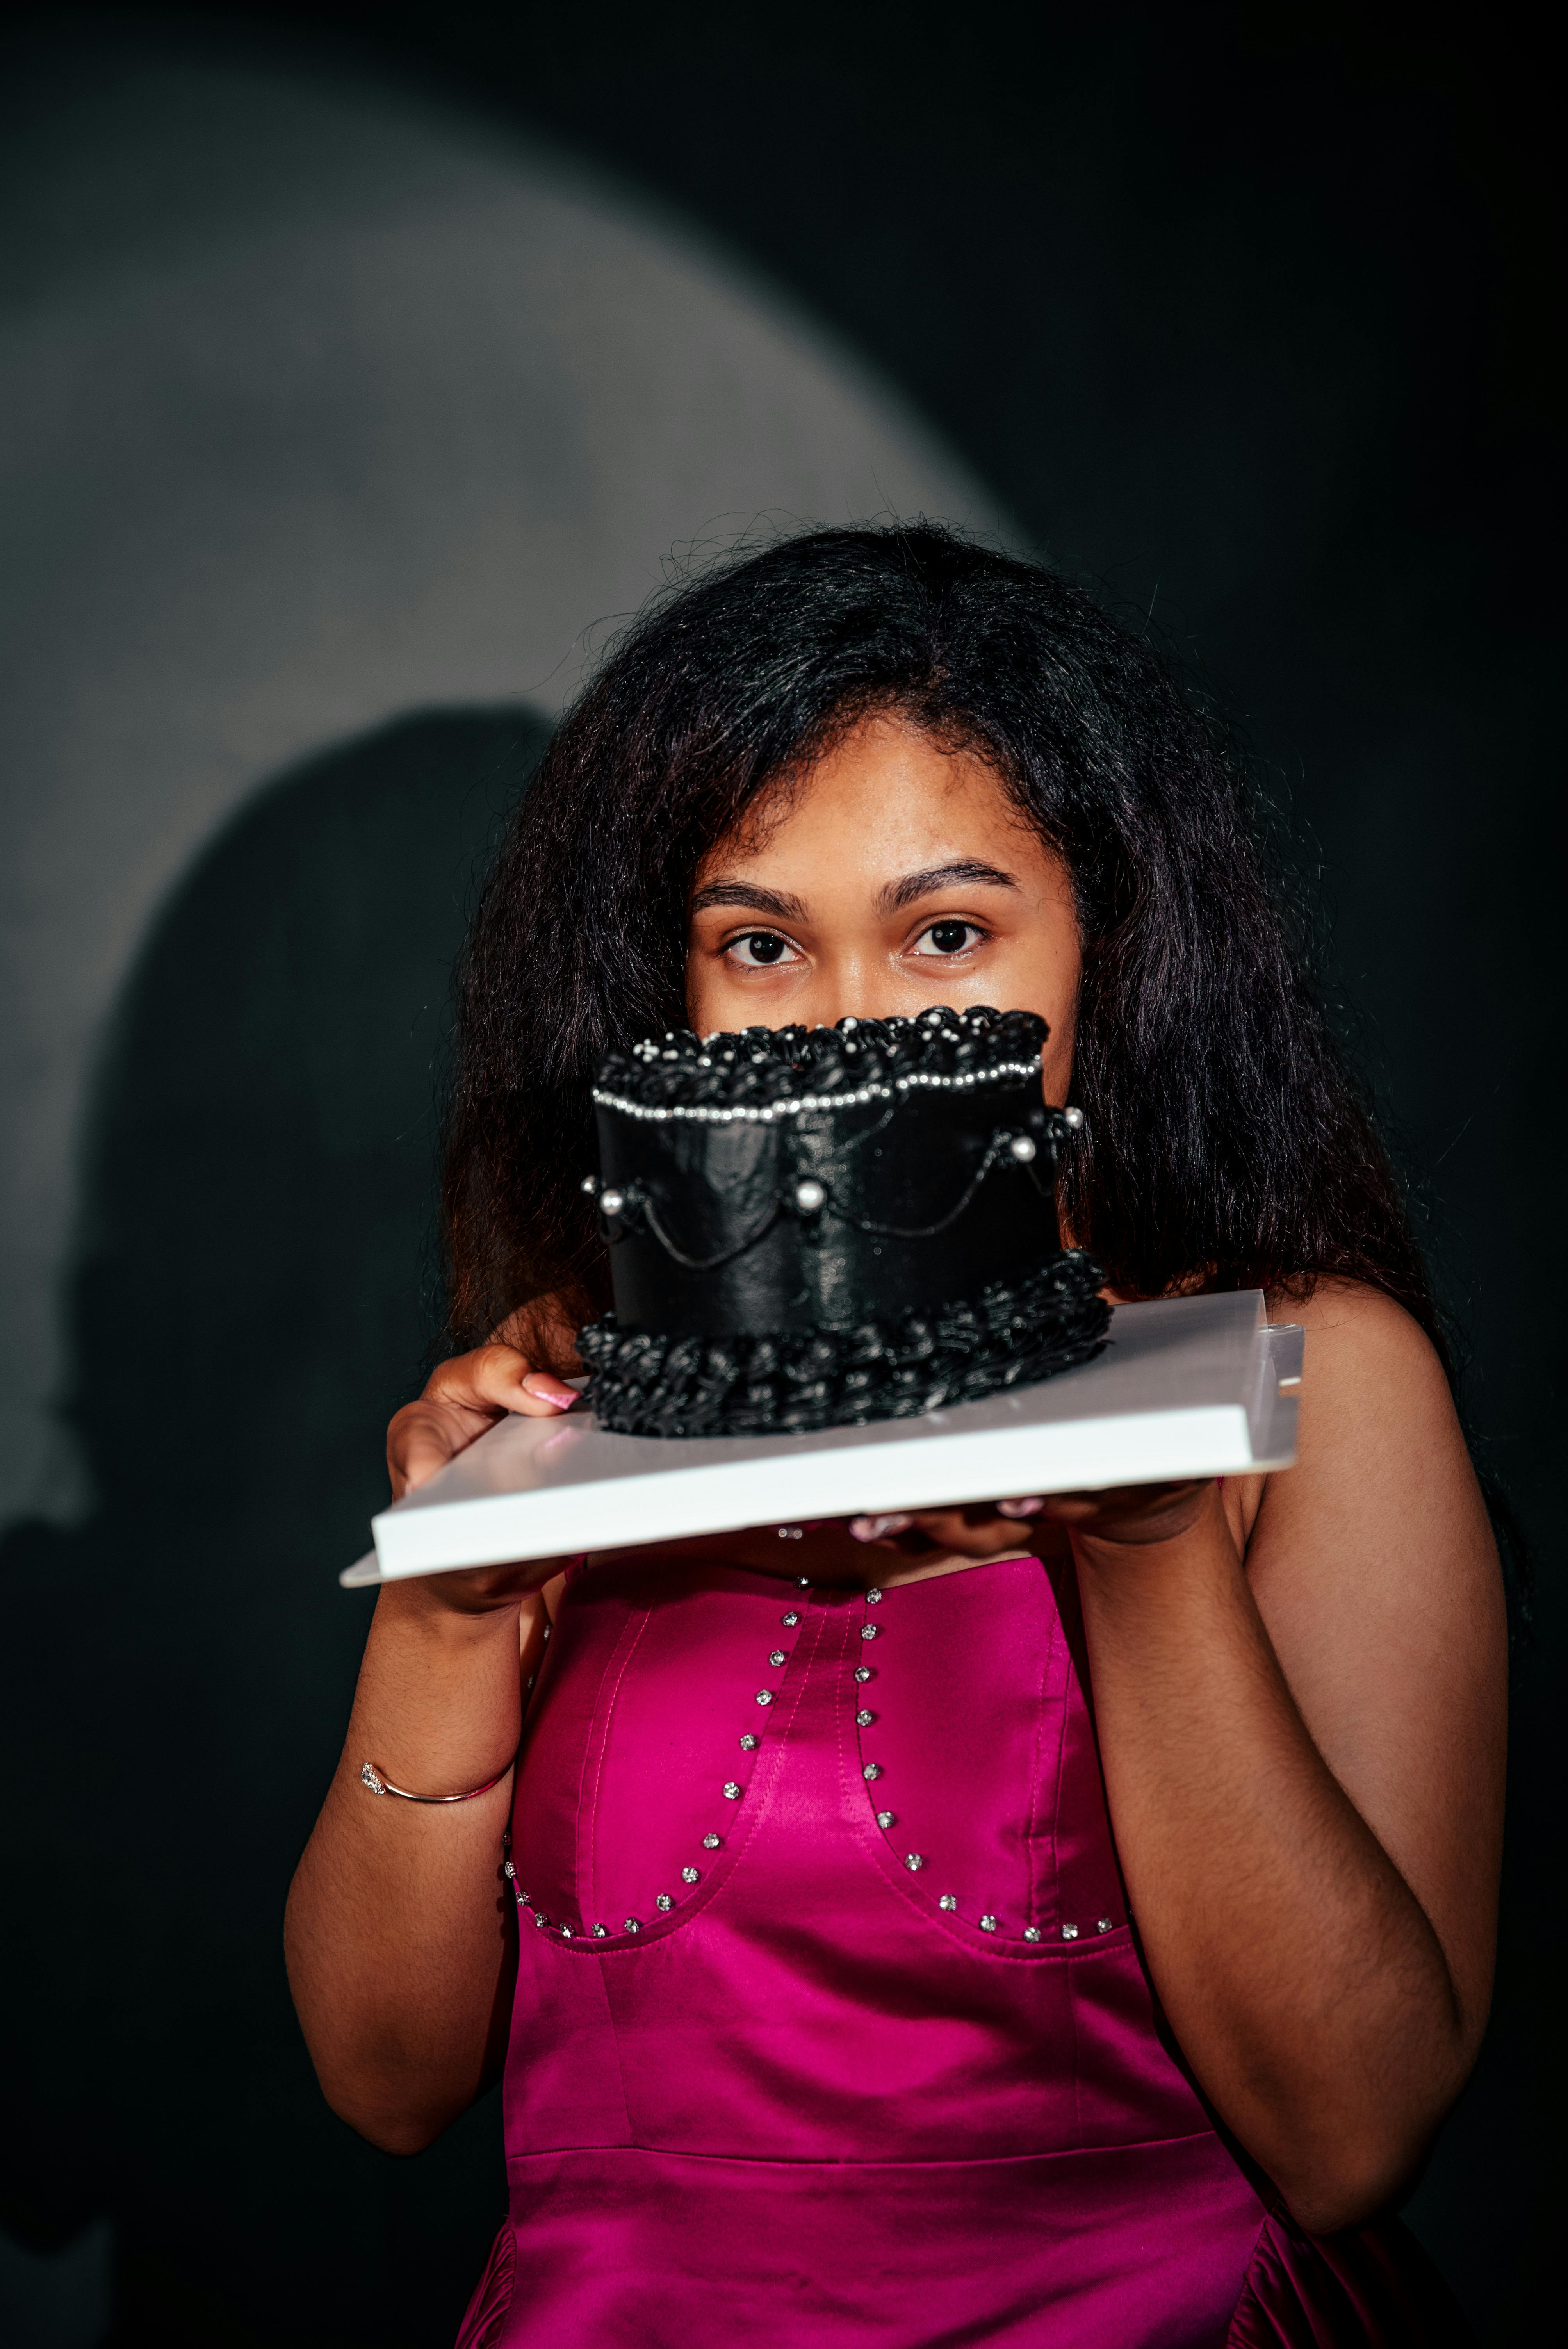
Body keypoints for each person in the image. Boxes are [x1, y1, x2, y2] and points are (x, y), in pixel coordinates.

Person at [284, 526, 1505, 2345]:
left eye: (946, 934)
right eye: (760, 944)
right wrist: (447, 1602)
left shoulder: (1305, 1377)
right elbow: (383, 2084)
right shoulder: (568, 1403)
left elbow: (1350, 2136)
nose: (852, 1029)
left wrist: (1148, 1544)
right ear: (671, 1005)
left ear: (1102, 960)